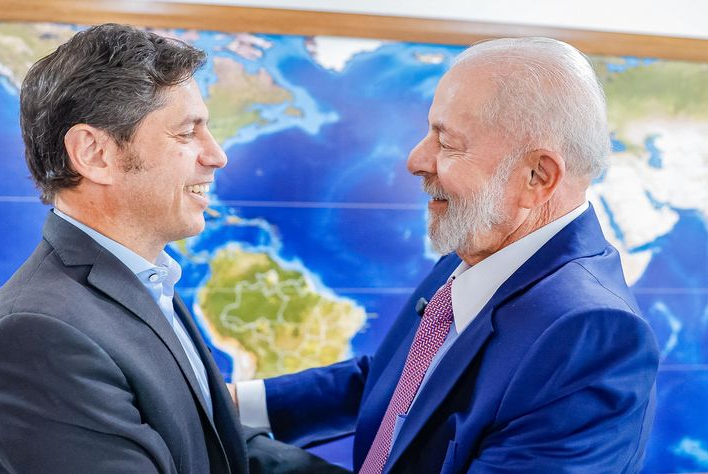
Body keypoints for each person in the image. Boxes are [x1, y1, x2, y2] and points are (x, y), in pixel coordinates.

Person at [232, 37, 660, 473]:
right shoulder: (480, 250)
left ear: (538, 176)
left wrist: (261, 460)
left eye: (448, 142)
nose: (416, 159)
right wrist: (230, 404)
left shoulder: (592, 334)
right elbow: (399, 383)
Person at [0, 24, 344, 474]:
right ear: (94, 153)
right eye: (187, 133)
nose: (217, 154)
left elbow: (214, 444)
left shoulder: (145, 280)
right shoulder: (35, 336)